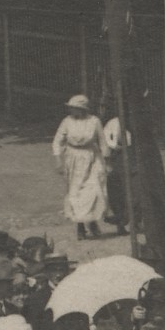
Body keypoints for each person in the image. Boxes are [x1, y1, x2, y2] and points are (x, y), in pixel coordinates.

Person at [49, 97, 110, 241]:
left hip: (92, 158)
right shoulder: (67, 121)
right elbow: (58, 141)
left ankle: (93, 221)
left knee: (94, 191)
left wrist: (107, 161)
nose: (71, 110)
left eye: (74, 108)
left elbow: (102, 142)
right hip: (73, 159)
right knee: (76, 193)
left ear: (82, 109)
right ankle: (80, 226)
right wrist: (58, 160)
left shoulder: (94, 121)